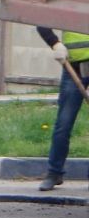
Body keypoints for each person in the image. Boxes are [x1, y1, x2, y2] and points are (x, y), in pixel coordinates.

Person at [34, 26, 89, 191]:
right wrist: (55, 43)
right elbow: (41, 21)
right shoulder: (68, 0)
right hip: (73, 68)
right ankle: (54, 173)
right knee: (63, 124)